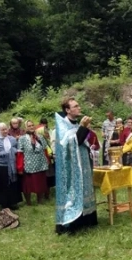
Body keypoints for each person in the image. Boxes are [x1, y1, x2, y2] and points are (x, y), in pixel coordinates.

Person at [55, 97, 97, 234]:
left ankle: (87, 219)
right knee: (74, 192)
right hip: (72, 168)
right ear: (67, 110)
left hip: (83, 163)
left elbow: (82, 140)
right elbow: (71, 144)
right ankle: (72, 223)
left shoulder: (75, 123)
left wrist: (85, 129)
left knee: (85, 188)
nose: (79, 108)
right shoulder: (62, 126)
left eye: (78, 105)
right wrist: (83, 128)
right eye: (75, 106)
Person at [0, 123, 23, 209]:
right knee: (2, 185)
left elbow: (17, 151)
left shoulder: (12, 139)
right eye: (2, 130)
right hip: (1, 167)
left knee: (12, 184)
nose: (5, 131)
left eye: (6, 129)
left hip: (12, 166)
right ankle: (4, 204)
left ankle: (12, 202)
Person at [17, 120, 49, 205]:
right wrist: (20, 167)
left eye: (32, 125)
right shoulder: (22, 139)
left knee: (41, 183)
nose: (31, 127)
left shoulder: (40, 137)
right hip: (29, 164)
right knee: (28, 184)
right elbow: (20, 154)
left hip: (41, 163)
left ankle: (40, 200)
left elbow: (45, 150)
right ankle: (28, 202)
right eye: (29, 126)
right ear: (25, 127)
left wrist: (47, 160)